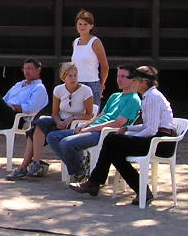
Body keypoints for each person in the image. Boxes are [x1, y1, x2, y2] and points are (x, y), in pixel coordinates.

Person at [71, 65, 177, 207]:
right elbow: (148, 126)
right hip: (156, 139)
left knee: (112, 140)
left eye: (134, 80)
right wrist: (128, 128)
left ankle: (95, 182)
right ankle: (142, 191)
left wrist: (131, 137)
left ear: (143, 82)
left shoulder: (152, 97)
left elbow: (151, 130)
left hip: (161, 143)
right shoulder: (147, 97)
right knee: (115, 152)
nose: (131, 83)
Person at [44, 64, 142, 183]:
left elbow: (118, 123)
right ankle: (80, 168)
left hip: (105, 133)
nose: (119, 79)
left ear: (133, 80)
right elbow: (100, 115)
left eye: (123, 76)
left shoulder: (133, 99)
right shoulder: (115, 96)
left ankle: (80, 169)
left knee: (66, 143)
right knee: (52, 137)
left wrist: (91, 129)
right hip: (93, 128)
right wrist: (86, 125)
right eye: (118, 76)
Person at [5, 61, 94, 181]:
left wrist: (72, 118)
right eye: (70, 76)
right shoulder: (58, 90)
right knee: (39, 124)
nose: (73, 79)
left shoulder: (86, 90)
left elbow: (90, 115)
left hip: (76, 123)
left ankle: (24, 167)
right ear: (63, 77)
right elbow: (55, 113)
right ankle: (35, 163)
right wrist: (58, 122)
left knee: (38, 132)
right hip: (60, 121)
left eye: (75, 75)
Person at [71, 9, 108, 105]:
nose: (82, 26)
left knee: (90, 117)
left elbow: (105, 66)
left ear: (91, 26)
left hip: (91, 84)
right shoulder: (75, 42)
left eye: (85, 24)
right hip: (76, 84)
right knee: (75, 114)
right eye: (80, 24)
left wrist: (102, 84)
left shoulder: (95, 42)